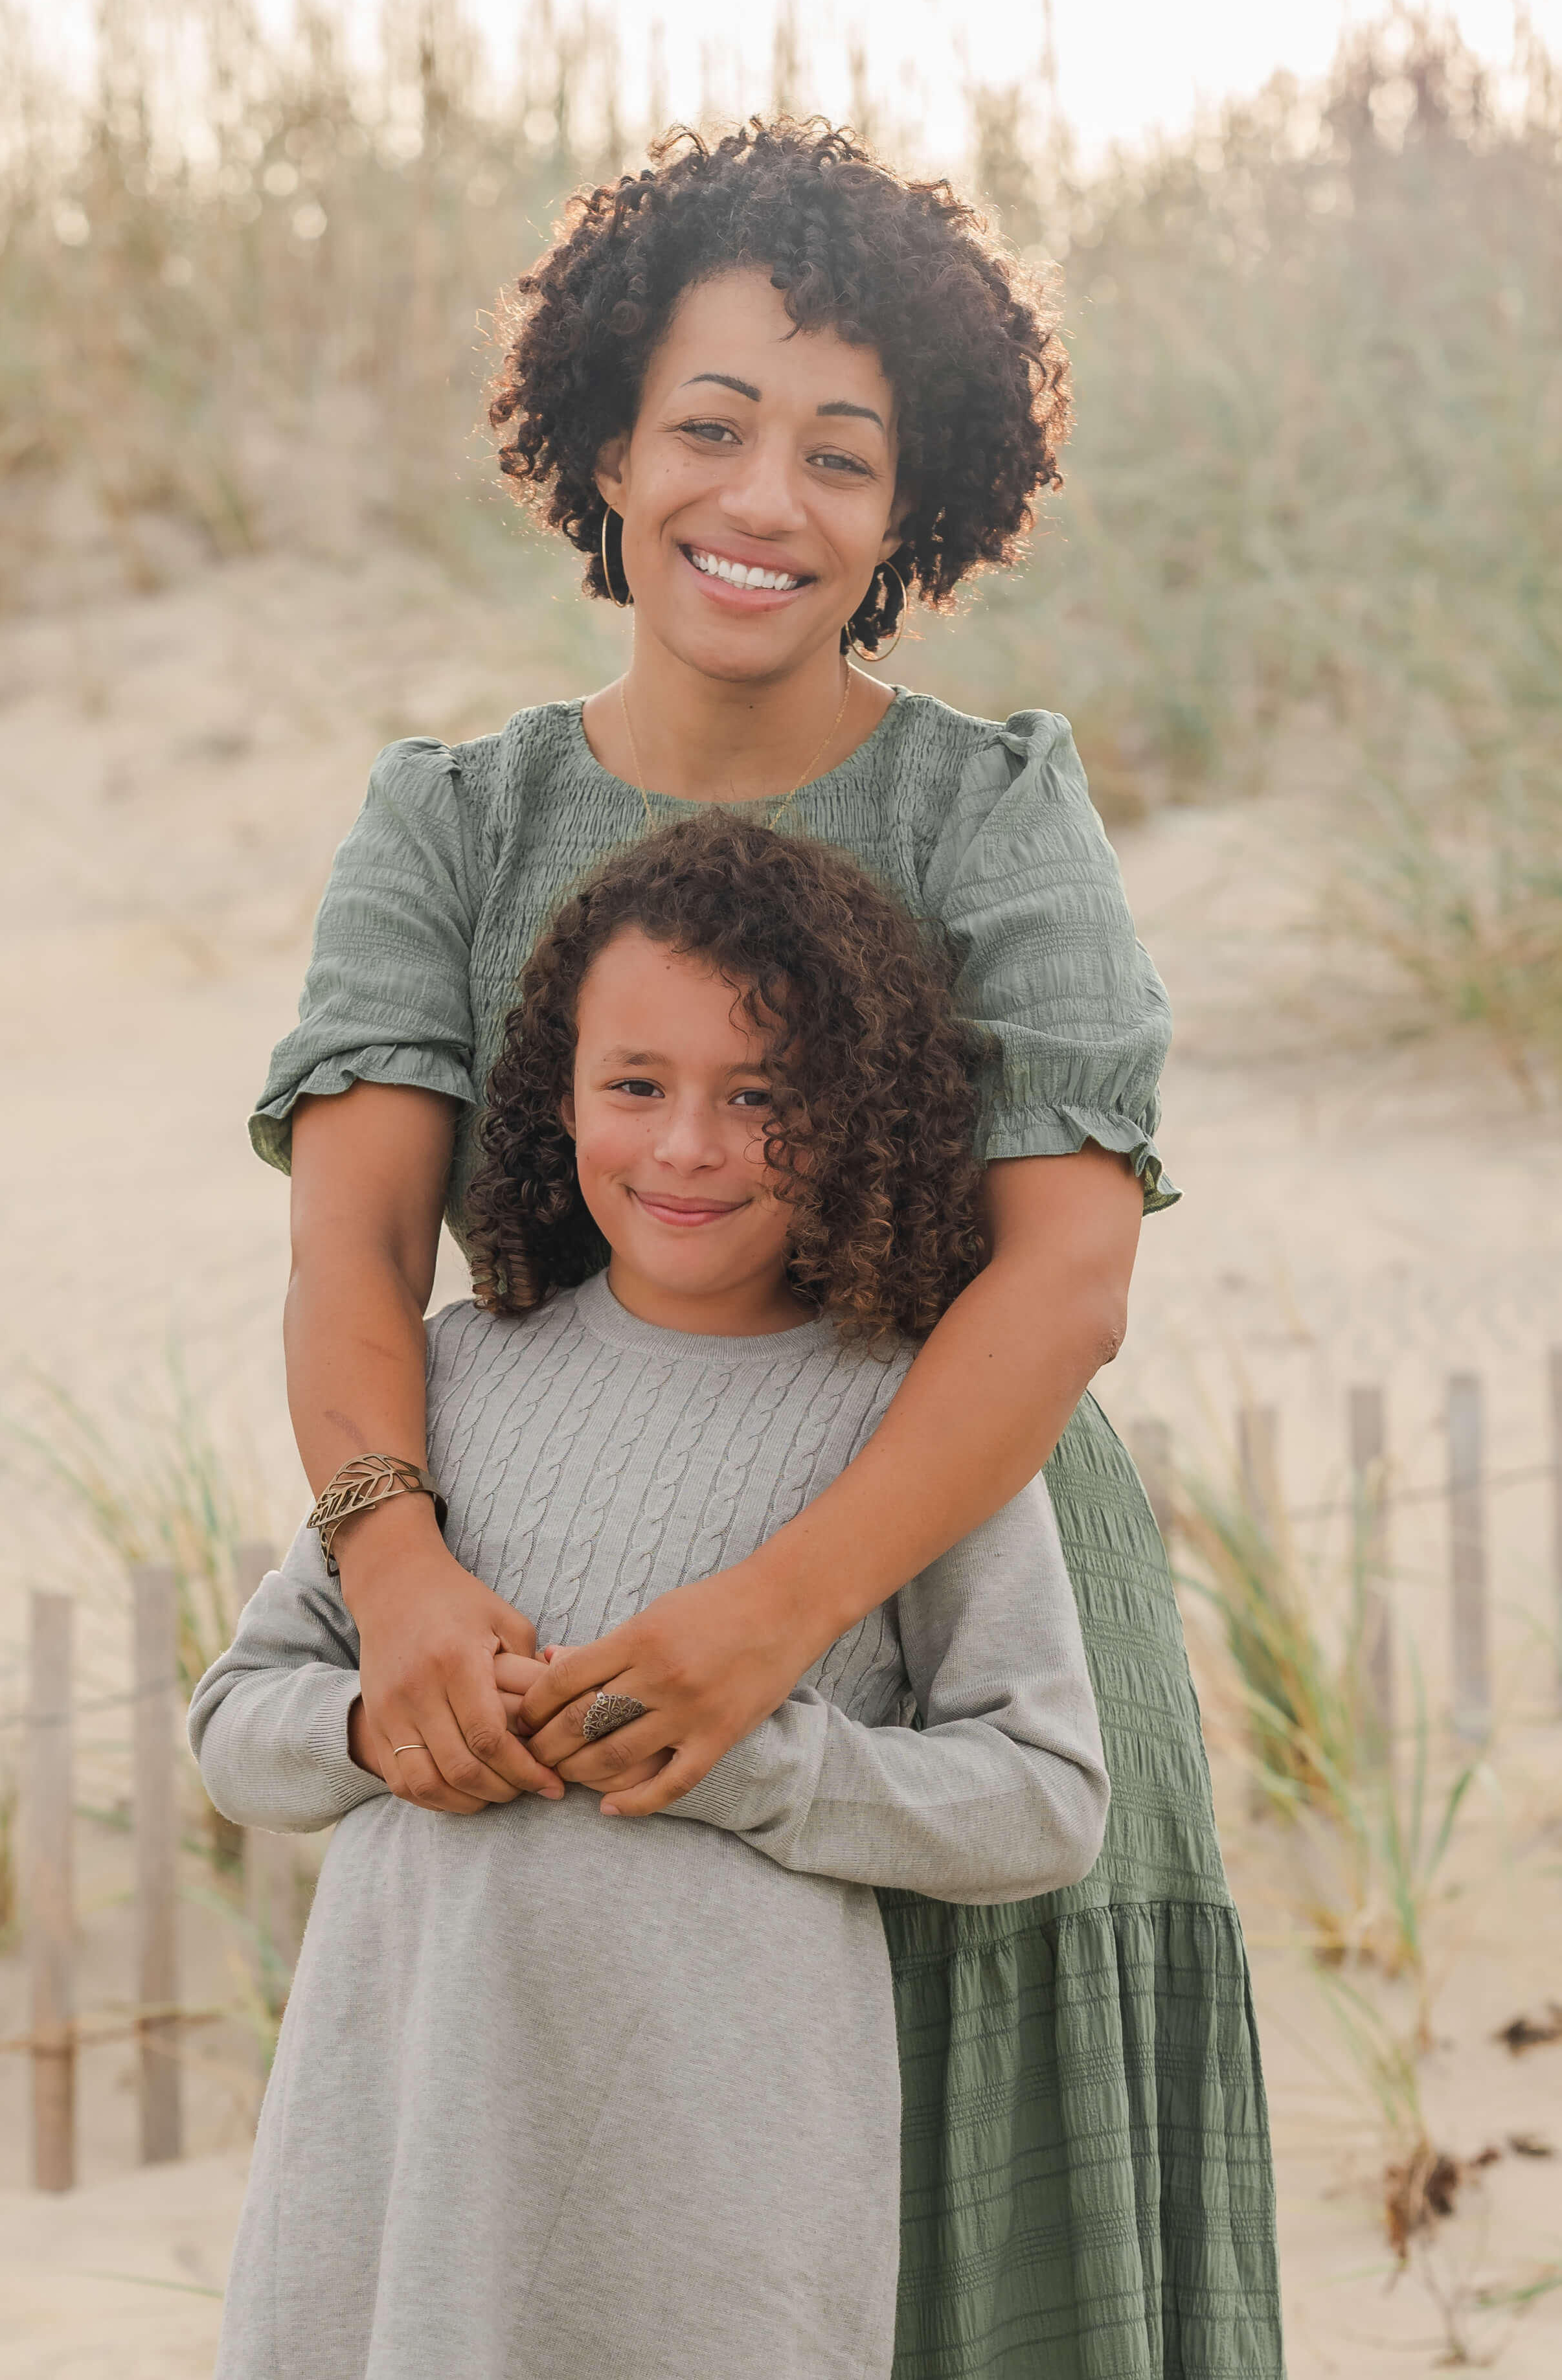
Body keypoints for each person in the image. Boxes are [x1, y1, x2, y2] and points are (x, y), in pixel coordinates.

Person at [251, 122, 1283, 2374]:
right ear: (606, 442)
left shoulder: (987, 806)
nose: (763, 500)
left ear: (915, 505)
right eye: (709, 426)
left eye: (841, 451)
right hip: (562, 1637)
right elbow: (353, 1242)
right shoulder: (456, 818)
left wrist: (777, 1620)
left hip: (953, 1617)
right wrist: (398, 1565)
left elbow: (1069, 1275)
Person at [194, 817, 1111, 2380]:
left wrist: (760, 1760)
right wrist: (377, 1720)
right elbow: (236, 1722)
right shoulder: (451, 1383)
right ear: (558, 1098)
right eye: (637, 1085)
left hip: (718, 2202)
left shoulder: (914, 1429)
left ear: (861, 1113)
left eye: (760, 1097)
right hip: (400, 2161)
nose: (686, 1145)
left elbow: (1044, 1798)